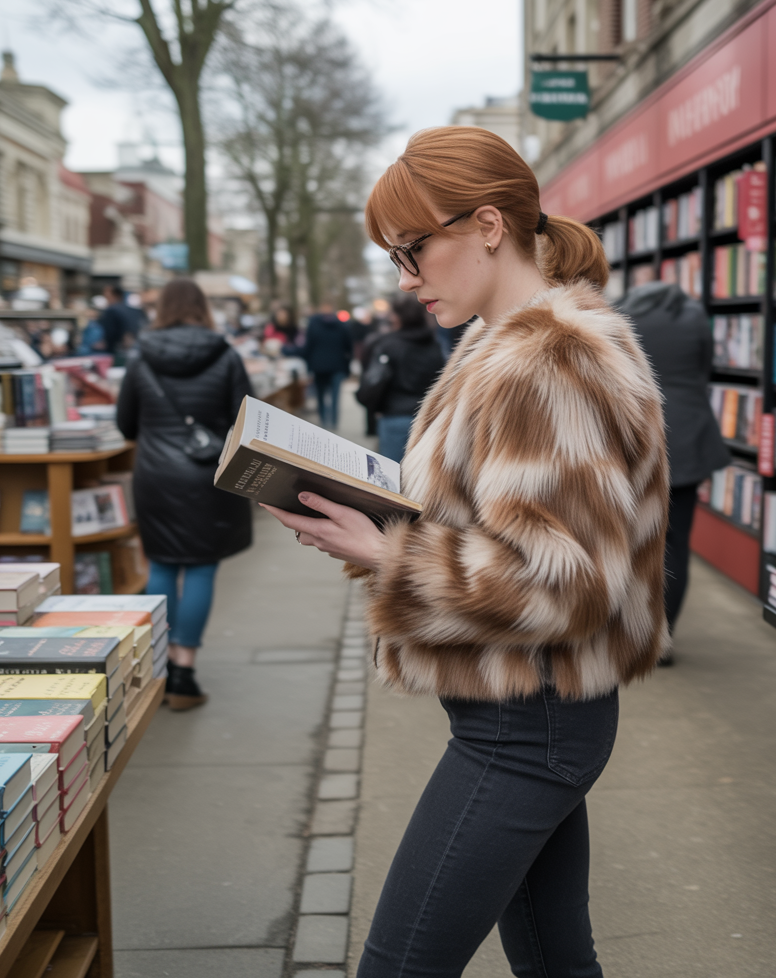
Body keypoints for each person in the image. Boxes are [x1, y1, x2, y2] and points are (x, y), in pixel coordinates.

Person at [261, 125, 670, 977]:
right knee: (556, 960)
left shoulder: (545, 360)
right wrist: (374, 526)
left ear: (487, 225)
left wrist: (391, 555)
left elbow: (563, 585)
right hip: (529, 709)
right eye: (394, 258)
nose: (404, 280)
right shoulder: (508, 343)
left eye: (412, 250)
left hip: (528, 718)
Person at [116, 279, 253, 710]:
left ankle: (158, 666)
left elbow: (125, 424)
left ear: (161, 309)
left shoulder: (140, 357)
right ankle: (184, 673)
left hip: (156, 476)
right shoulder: (226, 355)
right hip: (207, 476)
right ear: (202, 308)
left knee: (160, 565)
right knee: (201, 567)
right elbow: (247, 419)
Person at [613, 280, 730, 665]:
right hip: (688, 440)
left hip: (638, 436)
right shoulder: (694, 316)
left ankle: (629, 632)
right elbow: (704, 371)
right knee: (676, 543)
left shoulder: (622, 314)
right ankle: (663, 642)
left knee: (633, 539)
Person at [359, 292, 444, 462]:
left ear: (397, 316)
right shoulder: (434, 345)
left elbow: (373, 382)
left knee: (391, 473)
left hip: (394, 417)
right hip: (426, 418)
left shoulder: (387, 345)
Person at [302, 303, 353, 428]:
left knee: (321, 395)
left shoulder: (313, 324)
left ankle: (324, 420)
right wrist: (347, 367)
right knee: (334, 396)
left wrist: (309, 367)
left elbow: (308, 347)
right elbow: (348, 347)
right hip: (337, 365)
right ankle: (333, 421)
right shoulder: (341, 325)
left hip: (319, 366)